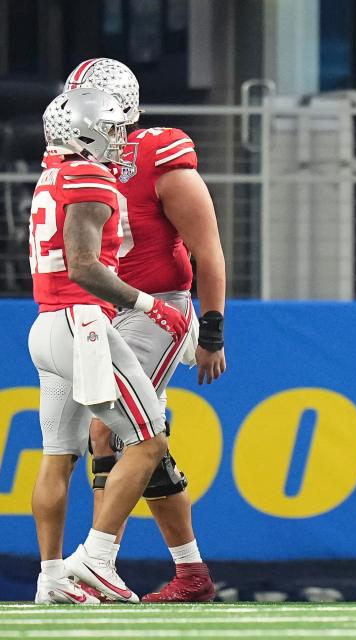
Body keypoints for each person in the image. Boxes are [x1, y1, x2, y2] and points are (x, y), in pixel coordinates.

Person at [61, 58, 227, 602]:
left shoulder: (158, 152)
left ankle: (97, 560)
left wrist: (211, 330)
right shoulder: (79, 158)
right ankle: (190, 573)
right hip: (109, 310)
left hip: (161, 307)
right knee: (133, 434)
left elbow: (207, 248)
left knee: (110, 429)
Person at [30, 88, 188, 603]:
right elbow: (84, 266)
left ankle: (51, 576)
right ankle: (96, 558)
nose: (120, 139)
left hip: (46, 324)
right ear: (84, 131)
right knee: (149, 439)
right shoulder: (88, 173)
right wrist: (150, 306)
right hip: (83, 324)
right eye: (113, 128)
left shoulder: (50, 173)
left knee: (57, 456)